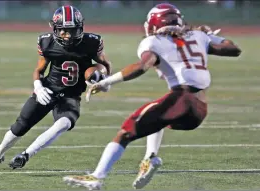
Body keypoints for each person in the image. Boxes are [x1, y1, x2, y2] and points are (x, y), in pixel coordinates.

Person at [63, 3, 241, 190]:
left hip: (182, 98)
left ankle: (97, 177)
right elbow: (233, 49)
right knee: (158, 116)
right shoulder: (198, 36)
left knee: (124, 133)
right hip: (200, 109)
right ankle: (150, 157)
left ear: (155, 24)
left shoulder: (155, 41)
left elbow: (142, 66)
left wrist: (106, 82)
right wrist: (210, 37)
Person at [0, 5, 112, 170]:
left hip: (71, 96)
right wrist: (38, 87)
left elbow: (104, 65)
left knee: (64, 123)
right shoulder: (47, 42)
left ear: (80, 28)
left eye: (72, 30)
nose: (68, 35)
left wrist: (103, 80)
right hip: (49, 90)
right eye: (63, 30)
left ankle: (26, 154)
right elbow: (39, 70)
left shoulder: (91, 42)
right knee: (20, 125)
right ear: (55, 28)